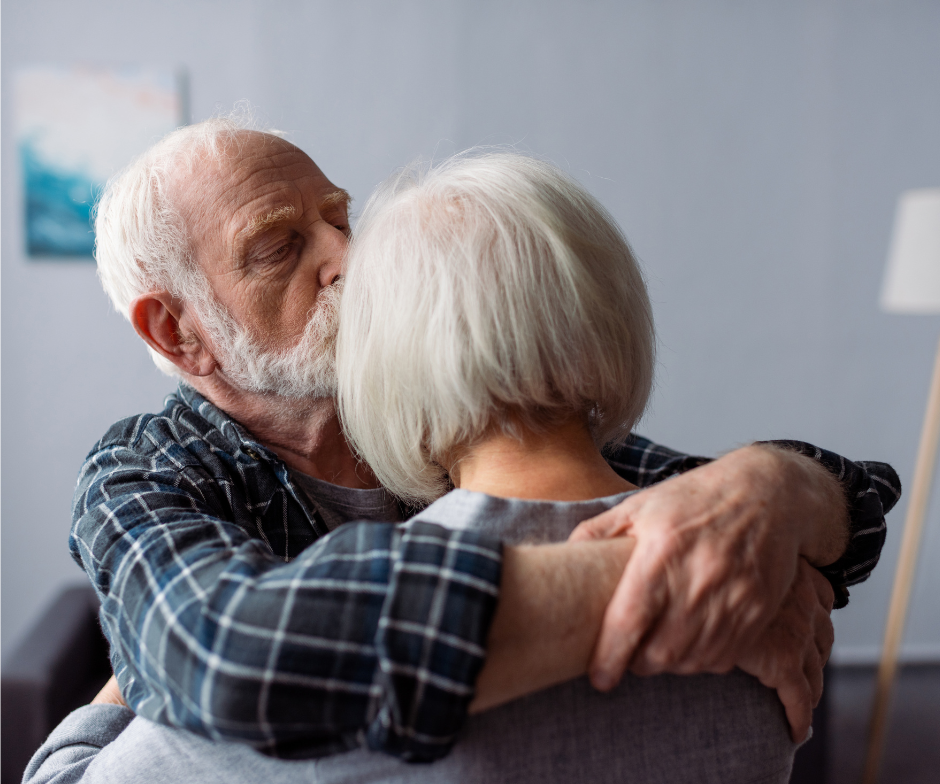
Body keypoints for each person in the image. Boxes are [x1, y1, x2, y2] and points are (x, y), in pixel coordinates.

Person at [63, 115, 896, 762]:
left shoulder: (451, 409)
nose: (349, 256)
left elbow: (834, 521)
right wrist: (659, 575)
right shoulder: (146, 470)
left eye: (342, 219)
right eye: (281, 246)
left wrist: (777, 488)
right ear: (178, 332)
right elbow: (229, 655)